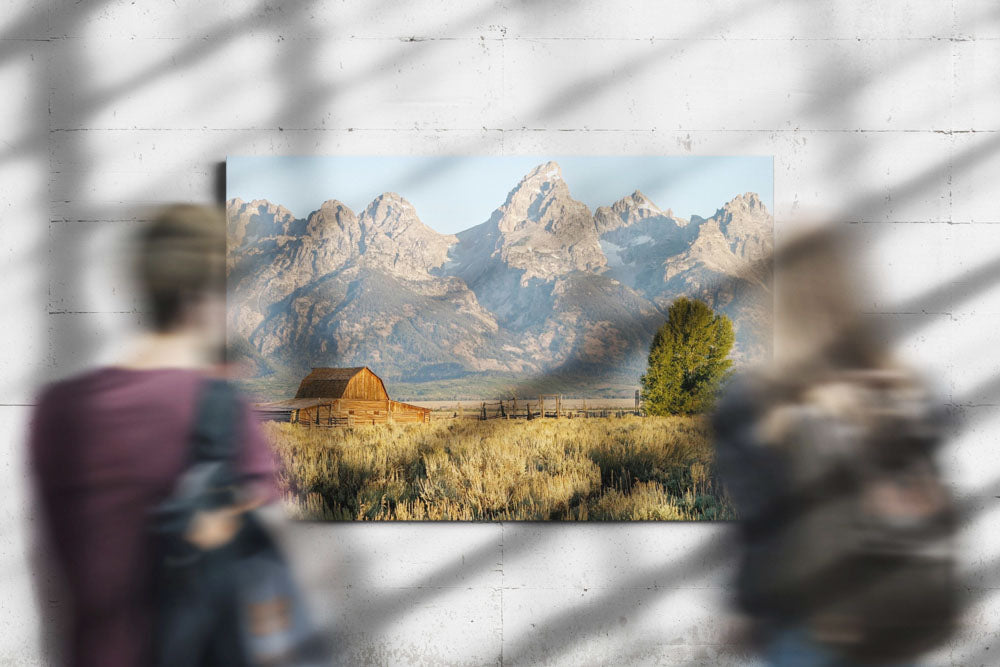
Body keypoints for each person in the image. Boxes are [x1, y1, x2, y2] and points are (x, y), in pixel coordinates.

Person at [29, 204, 277, 667]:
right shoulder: (219, 411)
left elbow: (52, 580)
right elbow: (268, 590)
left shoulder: (56, 410)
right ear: (198, 296)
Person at [712, 227, 958, 666]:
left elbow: (757, 525)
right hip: (899, 613)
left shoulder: (757, 404)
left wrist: (746, 608)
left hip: (807, 623)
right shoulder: (909, 390)